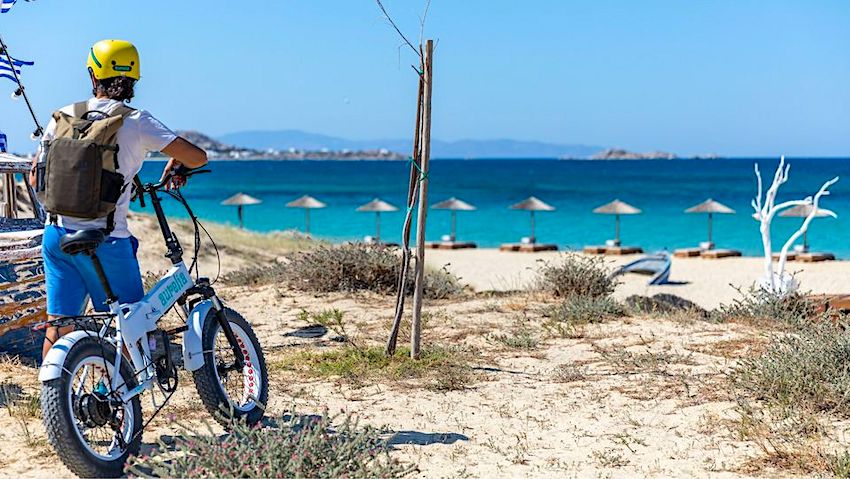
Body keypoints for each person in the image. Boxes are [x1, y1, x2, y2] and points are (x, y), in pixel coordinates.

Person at [31, 39, 207, 360]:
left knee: (59, 326)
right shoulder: (136, 121)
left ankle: (54, 403)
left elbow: (35, 177)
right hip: (106, 241)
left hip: (56, 236)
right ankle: (125, 399)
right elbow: (197, 156)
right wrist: (177, 161)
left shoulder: (62, 116)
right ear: (133, 78)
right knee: (128, 327)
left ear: (93, 76)